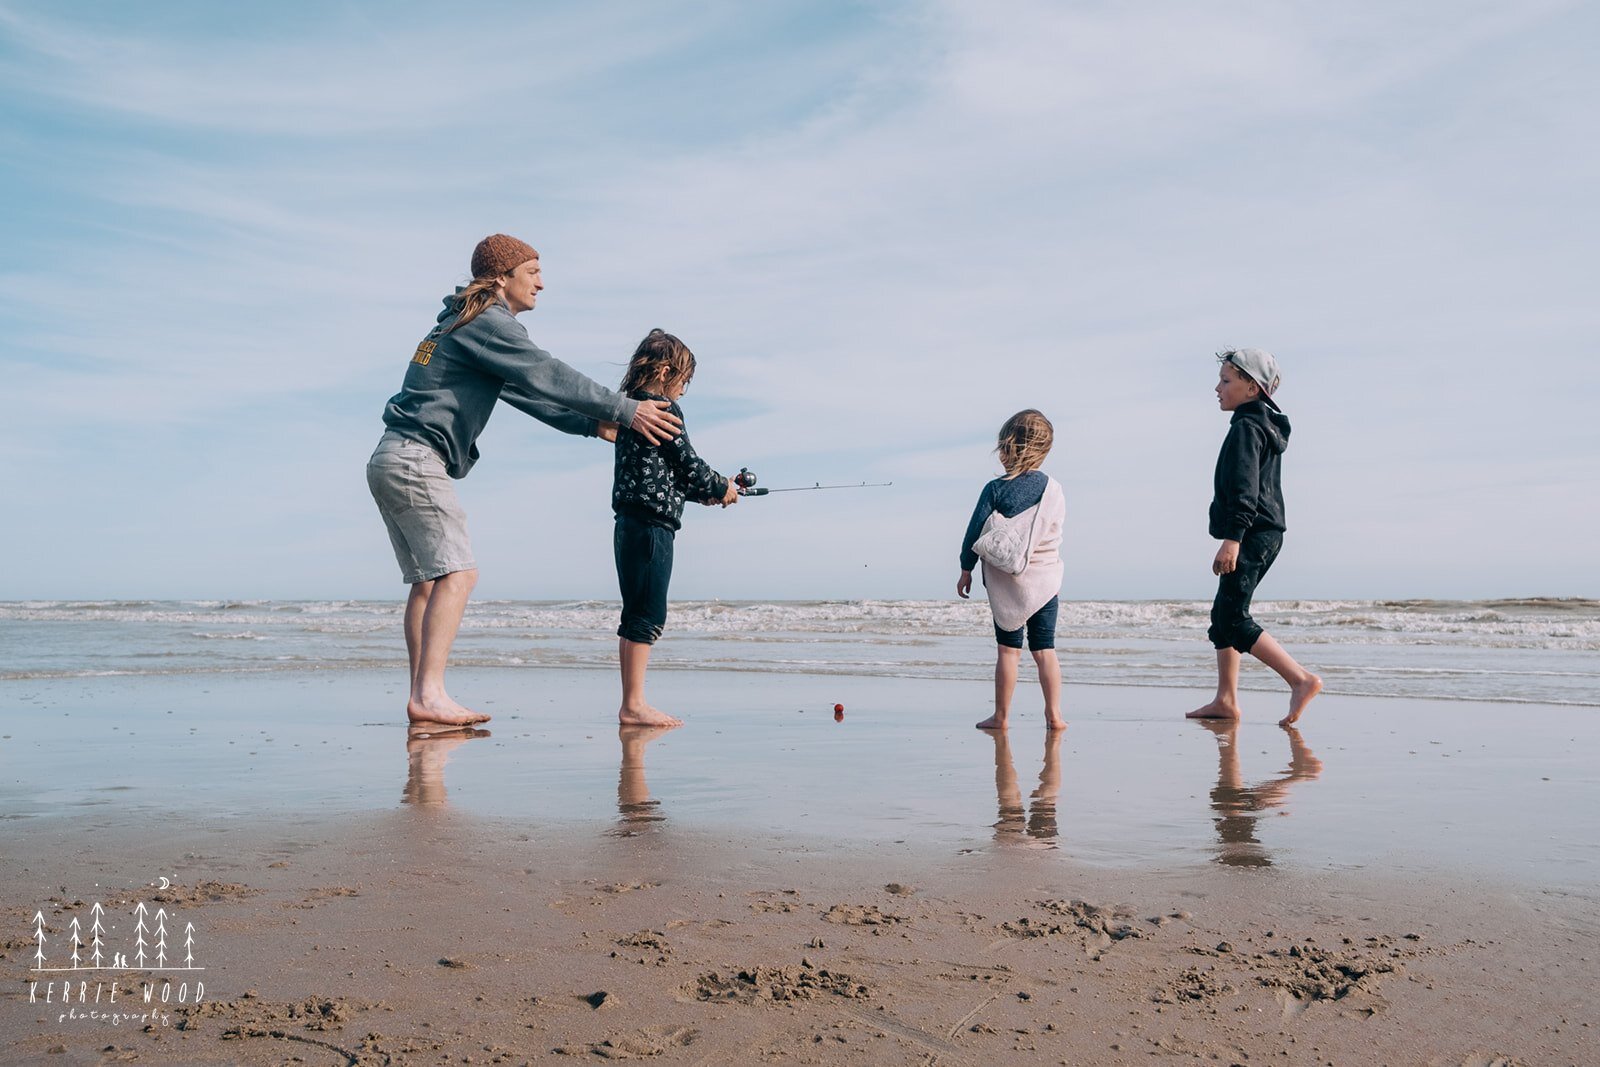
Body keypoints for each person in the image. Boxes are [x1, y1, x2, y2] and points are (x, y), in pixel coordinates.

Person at [367, 235, 682, 727]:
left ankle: (424, 696)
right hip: (415, 458)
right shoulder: (488, 322)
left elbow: (525, 390)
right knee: (458, 574)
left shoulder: (462, 323)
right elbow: (548, 372)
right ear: (502, 277)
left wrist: (590, 423)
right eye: (532, 270)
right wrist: (626, 409)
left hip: (392, 457)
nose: (540, 281)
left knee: (430, 582)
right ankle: (428, 695)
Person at [1187, 348, 1322, 725]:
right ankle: (1225, 700)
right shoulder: (1259, 423)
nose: (1217, 388)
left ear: (1251, 387)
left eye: (1226, 381)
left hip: (1252, 532)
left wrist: (1233, 538)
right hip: (1261, 531)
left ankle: (1300, 679)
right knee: (1223, 615)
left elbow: (1246, 489)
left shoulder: (1248, 428)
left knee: (1232, 617)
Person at [611, 329, 739, 727]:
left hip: (630, 523)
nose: (684, 390)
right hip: (652, 526)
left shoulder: (631, 411)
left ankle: (631, 701)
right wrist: (722, 487)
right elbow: (689, 464)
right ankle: (633, 705)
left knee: (635, 612)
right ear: (666, 372)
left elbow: (670, 474)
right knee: (647, 614)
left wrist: (707, 495)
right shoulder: (662, 409)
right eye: (684, 381)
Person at [957, 410, 1067, 731]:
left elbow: (975, 532)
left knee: (1008, 651)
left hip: (1008, 586)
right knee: (1045, 649)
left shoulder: (995, 489)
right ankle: (1055, 716)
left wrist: (966, 568)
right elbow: (1052, 531)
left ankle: (1001, 717)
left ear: (1010, 447)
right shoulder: (1054, 491)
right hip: (1045, 582)